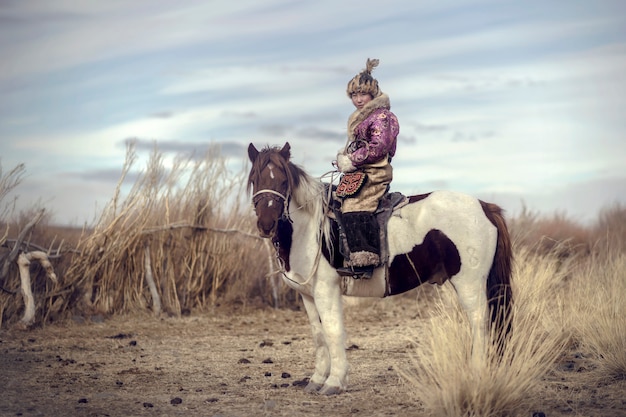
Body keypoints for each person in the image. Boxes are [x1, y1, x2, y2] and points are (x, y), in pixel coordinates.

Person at [335, 58, 399, 278]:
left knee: (355, 204)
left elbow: (379, 146)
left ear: (373, 94)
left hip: (376, 172)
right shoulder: (362, 118)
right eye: (354, 95)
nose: (358, 99)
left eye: (362, 94)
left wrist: (353, 160)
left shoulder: (383, 116)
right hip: (360, 171)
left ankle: (366, 262)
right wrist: (344, 160)